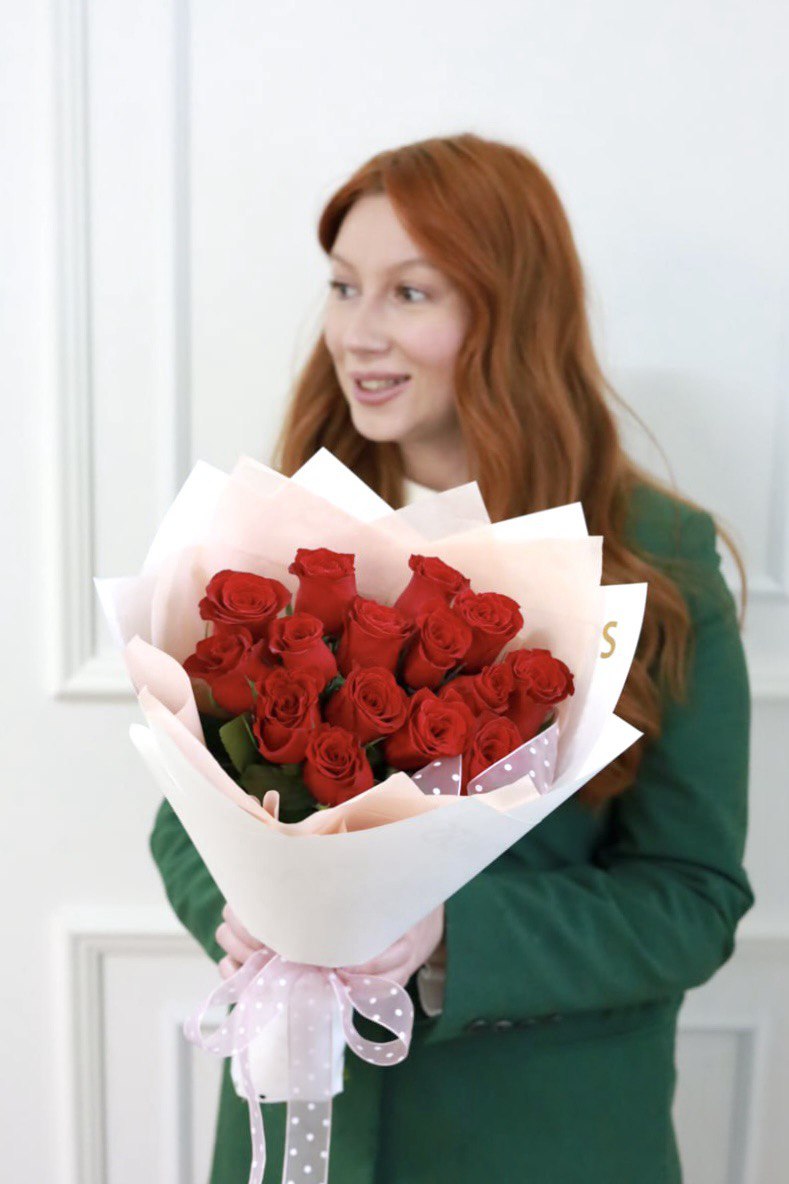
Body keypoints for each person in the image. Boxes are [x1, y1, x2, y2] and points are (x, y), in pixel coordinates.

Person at [148, 132, 753, 1183]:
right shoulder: (279, 537)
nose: (358, 332)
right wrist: (241, 910)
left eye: (410, 292)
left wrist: (447, 933)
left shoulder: (655, 559)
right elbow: (183, 819)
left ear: (511, 311)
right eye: (344, 287)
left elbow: (691, 901)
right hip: (299, 1122)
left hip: (541, 1140)